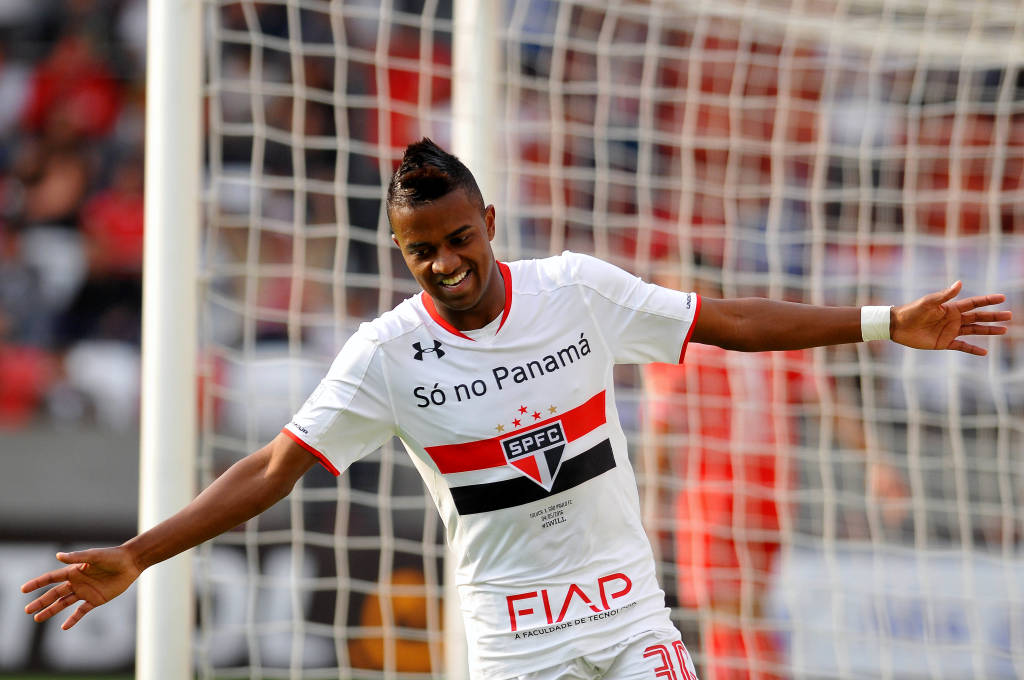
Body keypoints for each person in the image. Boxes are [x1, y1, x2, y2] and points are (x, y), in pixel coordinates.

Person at [21, 139, 1011, 680]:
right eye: (423, 252)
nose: (446, 263)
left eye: (458, 238)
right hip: (512, 641)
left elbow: (730, 321)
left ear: (487, 223)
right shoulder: (383, 354)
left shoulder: (575, 289)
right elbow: (271, 468)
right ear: (402, 254)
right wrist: (141, 553)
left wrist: (885, 322)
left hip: (627, 615)